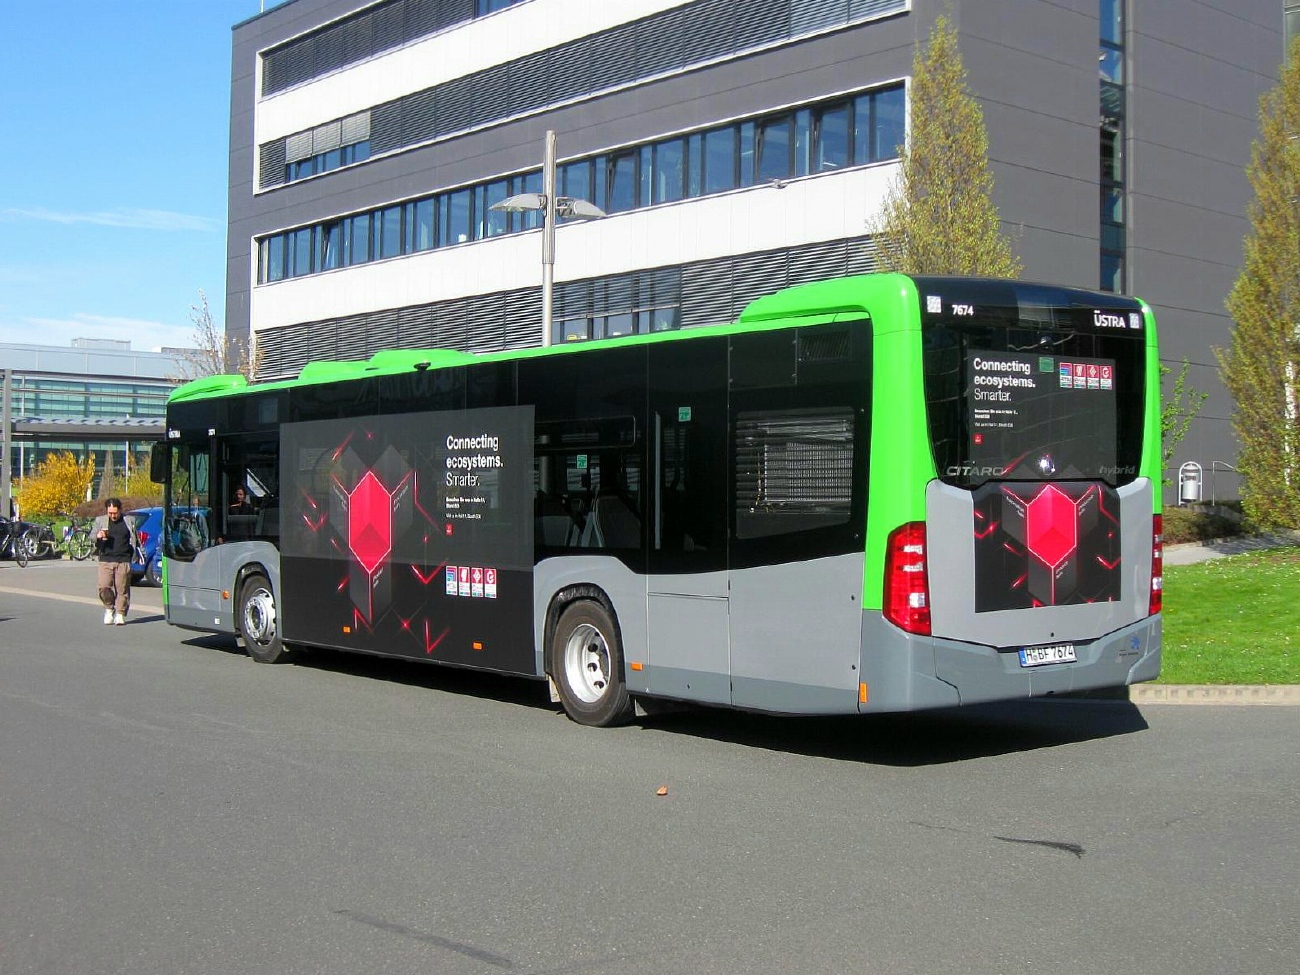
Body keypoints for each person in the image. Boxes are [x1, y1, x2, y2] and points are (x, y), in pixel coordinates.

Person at [93, 497, 139, 625]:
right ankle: (109, 608)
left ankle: (120, 613)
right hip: (106, 559)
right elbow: (92, 536)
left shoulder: (128, 520)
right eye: (110, 513)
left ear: (120, 510)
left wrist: (134, 554)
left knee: (122, 589)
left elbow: (134, 538)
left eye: (115, 513)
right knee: (104, 587)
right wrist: (98, 536)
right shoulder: (101, 521)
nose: (113, 515)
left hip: (123, 559)